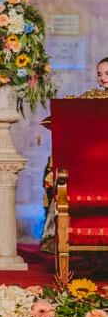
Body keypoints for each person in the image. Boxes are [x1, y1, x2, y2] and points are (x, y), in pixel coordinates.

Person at [40, 56, 108, 252]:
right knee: (57, 169)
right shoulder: (89, 104)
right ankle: (55, 235)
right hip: (90, 168)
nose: (102, 78)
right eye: (99, 74)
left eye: (107, 73)